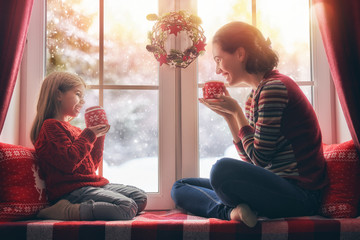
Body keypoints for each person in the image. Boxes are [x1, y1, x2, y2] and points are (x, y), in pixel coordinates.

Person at [171, 22, 328, 227]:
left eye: (219, 60)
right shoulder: (254, 95)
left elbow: (260, 159)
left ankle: (229, 210)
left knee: (221, 170)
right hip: (273, 185)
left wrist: (236, 112)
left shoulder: (274, 88)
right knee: (180, 186)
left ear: (240, 54)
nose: (218, 70)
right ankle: (234, 212)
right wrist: (229, 117)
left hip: (299, 195)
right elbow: (252, 160)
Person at [31, 71, 147, 221]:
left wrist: (98, 137)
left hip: (90, 186)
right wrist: (89, 135)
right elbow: (68, 162)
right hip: (71, 191)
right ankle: (64, 210)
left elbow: (91, 167)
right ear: (58, 94)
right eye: (78, 94)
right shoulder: (50, 127)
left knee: (140, 198)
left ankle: (85, 208)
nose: (83, 101)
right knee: (127, 207)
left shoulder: (75, 130)